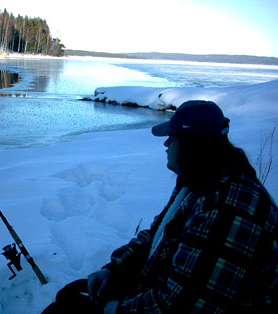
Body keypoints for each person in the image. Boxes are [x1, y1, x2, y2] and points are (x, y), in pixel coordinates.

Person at [42, 100, 278, 313]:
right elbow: (158, 234)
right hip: (162, 288)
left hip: (180, 303)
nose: (166, 144)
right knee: (70, 296)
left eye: (171, 138)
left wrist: (113, 310)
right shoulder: (198, 180)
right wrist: (115, 269)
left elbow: (185, 305)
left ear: (191, 145)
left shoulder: (228, 209)